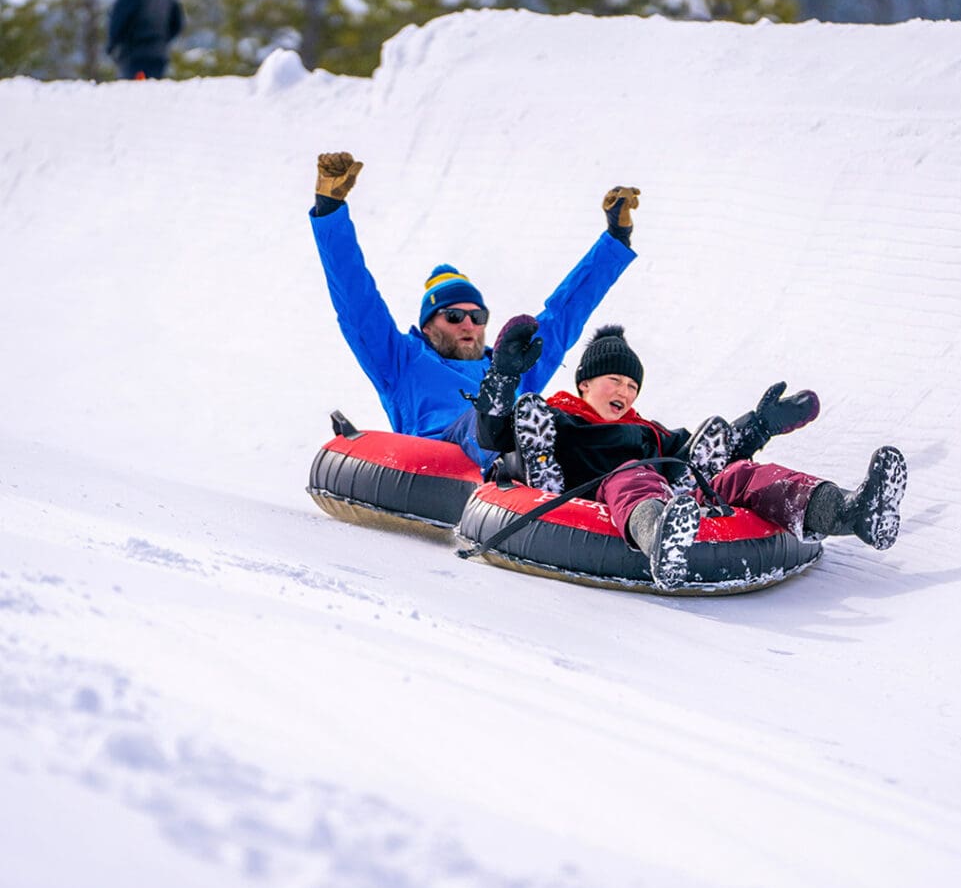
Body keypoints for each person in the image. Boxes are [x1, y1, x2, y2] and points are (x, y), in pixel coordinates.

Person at [474, 317, 907, 590]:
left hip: (673, 496)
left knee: (739, 474)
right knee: (633, 474)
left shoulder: (647, 431)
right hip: (601, 495)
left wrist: (759, 425)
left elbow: (703, 457)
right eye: (614, 380)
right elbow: (495, 434)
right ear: (584, 383)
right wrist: (503, 375)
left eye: (632, 386)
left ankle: (847, 511)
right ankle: (659, 536)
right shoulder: (559, 418)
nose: (624, 391)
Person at [309, 151, 641, 472]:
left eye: (477, 317)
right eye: (454, 316)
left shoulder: (511, 364)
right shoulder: (401, 360)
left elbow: (566, 312)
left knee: (556, 416)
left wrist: (616, 238)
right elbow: (357, 301)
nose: (469, 324)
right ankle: (500, 424)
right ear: (428, 327)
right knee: (494, 410)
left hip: (507, 470)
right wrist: (330, 210)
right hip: (437, 460)